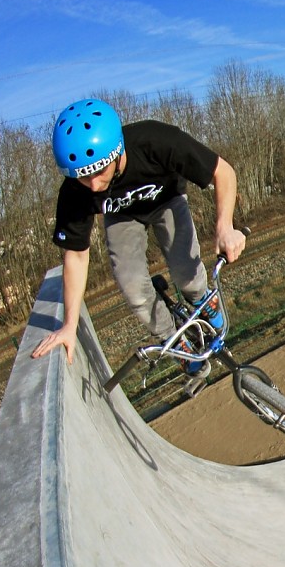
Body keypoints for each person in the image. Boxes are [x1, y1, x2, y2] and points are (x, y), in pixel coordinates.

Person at [31, 98, 247, 375]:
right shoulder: (75, 191)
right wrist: (69, 325)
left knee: (187, 274)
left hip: (166, 199)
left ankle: (204, 298)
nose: (95, 185)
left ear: (117, 150)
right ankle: (173, 339)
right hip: (122, 217)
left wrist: (224, 227)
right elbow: (75, 254)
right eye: (84, 178)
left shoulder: (155, 140)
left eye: (100, 171)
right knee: (133, 287)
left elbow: (223, 172)